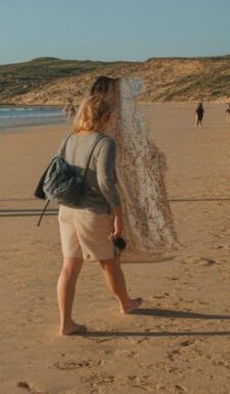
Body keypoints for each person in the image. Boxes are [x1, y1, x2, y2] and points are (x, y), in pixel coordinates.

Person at [55, 94, 142, 336]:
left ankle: (65, 323)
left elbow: (58, 169)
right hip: (93, 212)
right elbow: (105, 181)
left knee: (69, 268)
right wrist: (118, 212)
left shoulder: (69, 138)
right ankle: (126, 303)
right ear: (105, 117)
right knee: (111, 262)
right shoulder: (104, 143)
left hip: (67, 209)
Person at [87, 76, 180, 260]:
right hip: (104, 190)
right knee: (109, 250)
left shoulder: (89, 127)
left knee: (83, 259)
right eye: (114, 93)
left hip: (97, 190)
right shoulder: (106, 126)